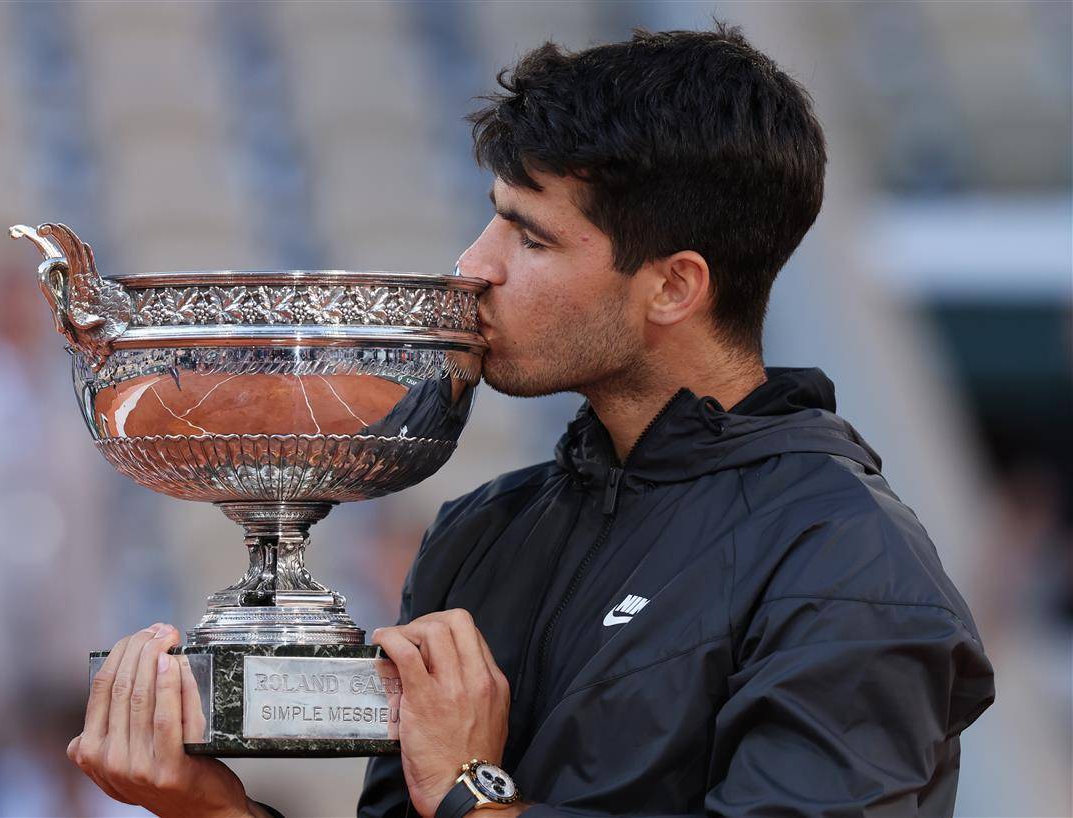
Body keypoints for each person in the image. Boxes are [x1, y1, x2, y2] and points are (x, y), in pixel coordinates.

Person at [67, 24, 996, 818]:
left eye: (531, 236)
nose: (474, 265)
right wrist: (212, 808)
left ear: (674, 285)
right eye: (491, 220)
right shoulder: (483, 533)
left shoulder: (849, 563)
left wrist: (474, 791)